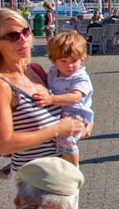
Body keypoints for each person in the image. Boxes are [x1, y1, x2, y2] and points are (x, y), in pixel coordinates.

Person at [0, 9, 85, 191]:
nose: (23, 39)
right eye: (12, 36)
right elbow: (4, 144)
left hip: (61, 178)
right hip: (32, 186)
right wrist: (57, 129)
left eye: (25, 32)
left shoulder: (36, 71)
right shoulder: (0, 86)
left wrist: (81, 122)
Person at [38, 31, 94, 172]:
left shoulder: (80, 77)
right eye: (63, 61)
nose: (69, 66)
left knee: (67, 138)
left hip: (76, 114)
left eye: (74, 61)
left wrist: (51, 99)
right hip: (58, 113)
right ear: (54, 60)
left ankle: (73, 170)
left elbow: (75, 97)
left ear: (82, 58)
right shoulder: (52, 73)